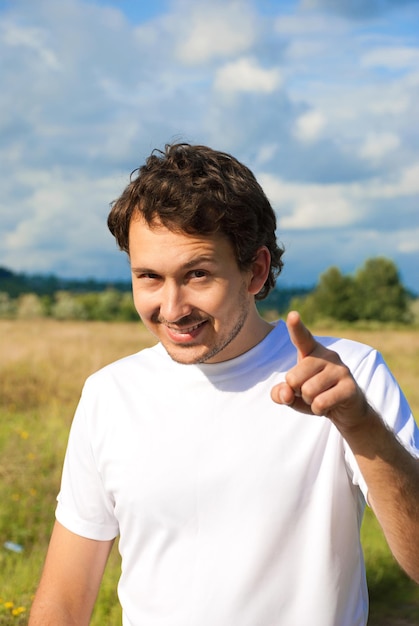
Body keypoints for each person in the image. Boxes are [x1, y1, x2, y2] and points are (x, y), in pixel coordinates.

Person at [29, 143, 419, 626]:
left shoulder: (347, 375)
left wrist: (360, 426)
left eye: (197, 274)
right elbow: (64, 603)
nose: (171, 309)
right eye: (149, 277)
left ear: (254, 271)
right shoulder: (109, 396)